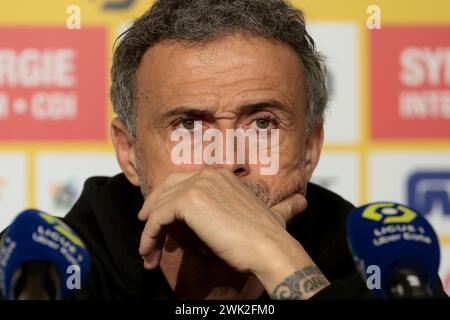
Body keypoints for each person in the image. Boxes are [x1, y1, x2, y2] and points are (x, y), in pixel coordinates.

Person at [14, 0, 450, 300]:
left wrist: (277, 258)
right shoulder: (44, 272)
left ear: (310, 148)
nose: (226, 160)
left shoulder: (381, 269)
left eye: (262, 124)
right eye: (188, 126)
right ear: (129, 153)